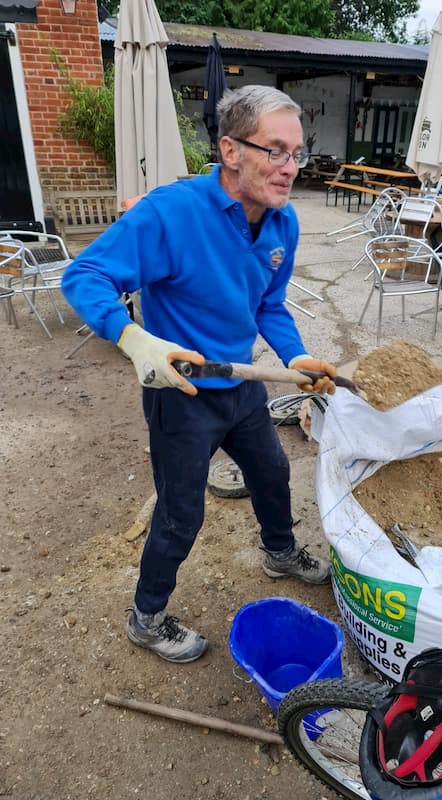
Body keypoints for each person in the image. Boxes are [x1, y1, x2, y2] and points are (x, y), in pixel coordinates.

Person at [61, 85, 337, 664]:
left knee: (272, 470)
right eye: (276, 151)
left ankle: (279, 552)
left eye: (297, 153)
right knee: (181, 513)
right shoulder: (170, 213)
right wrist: (133, 338)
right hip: (181, 394)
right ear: (231, 149)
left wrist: (293, 357)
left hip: (240, 386)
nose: (290, 169)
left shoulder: (281, 224)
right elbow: (84, 275)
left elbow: (268, 305)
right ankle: (147, 616)